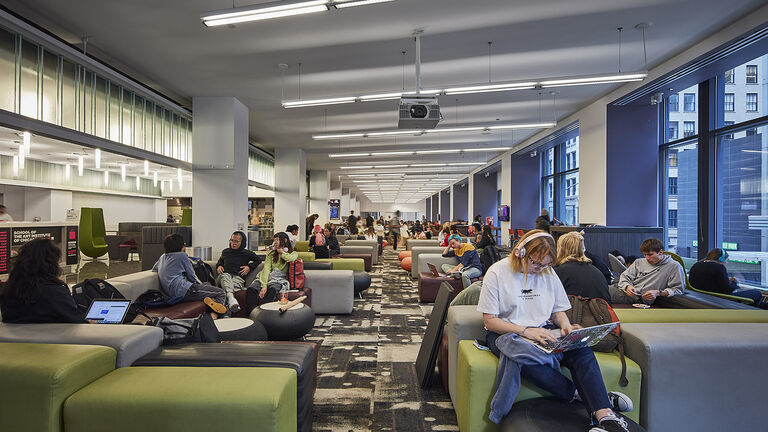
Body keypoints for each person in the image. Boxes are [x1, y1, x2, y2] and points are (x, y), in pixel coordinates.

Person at [477, 230, 633, 431]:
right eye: (536, 263)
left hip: (544, 330)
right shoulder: (497, 272)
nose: (540, 269)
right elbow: (490, 322)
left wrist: (566, 326)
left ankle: (605, 415)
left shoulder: (547, 273)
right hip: (506, 334)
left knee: (581, 350)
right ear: (520, 252)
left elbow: (558, 310)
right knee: (523, 358)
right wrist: (526, 331)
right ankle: (578, 394)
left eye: (546, 265)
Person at [0, 238, 85, 323]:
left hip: (14, 335)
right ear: (51, 263)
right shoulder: (55, 292)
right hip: (51, 335)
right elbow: (77, 321)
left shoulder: (9, 291)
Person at [153, 234, 228, 318]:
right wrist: (196, 285)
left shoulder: (162, 257)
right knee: (221, 293)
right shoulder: (182, 256)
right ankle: (216, 316)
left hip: (171, 294)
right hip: (184, 291)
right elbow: (192, 276)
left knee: (207, 286)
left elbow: (154, 269)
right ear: (181, 247)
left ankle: (212, 306)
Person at [610, 238, 686, 305]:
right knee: (600, 286)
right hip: (624, 289)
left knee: (600, 291)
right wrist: (627, 286)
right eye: (645, 255)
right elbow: (625, 277)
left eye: (650, 255)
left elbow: (678, 289)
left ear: (660, 252)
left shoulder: (674, 266)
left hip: (637, 298)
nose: (647, 258)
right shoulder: (639, 262)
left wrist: (658, 292)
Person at [689, 248, 764, 305]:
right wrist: (735, 282)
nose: (726, 263)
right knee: (757, 293)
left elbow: (708, 282)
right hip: (719, 299)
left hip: (702, 297)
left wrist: (727, 281)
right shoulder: (719, 267)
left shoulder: (696, 265)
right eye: (726, 261)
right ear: (721, 259)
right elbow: (727, 290)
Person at [245, 232, 298, 312]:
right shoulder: (271, 254)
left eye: (277, 240)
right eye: (274, 240)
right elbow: (266, 269)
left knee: (272, 290)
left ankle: (264, 313)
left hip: (279, 279)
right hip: (265, 277)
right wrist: (264, 285)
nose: (275, 242)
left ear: (285, 240)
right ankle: (253, 313)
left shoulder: (293, 253)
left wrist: (282, 253)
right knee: (251, 289)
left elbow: (291, 259)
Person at [553, 232, 611, 302]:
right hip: (602, 311)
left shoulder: (558, 273)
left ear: (560, 249)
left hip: (575, 312)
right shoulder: (597, 271)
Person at [215, 231, 262, 313]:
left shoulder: (246, 253)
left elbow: (258, 260)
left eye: (236, 241)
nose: (233, 243)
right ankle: (231, 298)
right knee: (225, 276)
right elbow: (219, 262)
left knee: (232, 285)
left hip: (238, 278)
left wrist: (249, 267)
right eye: (232, 240)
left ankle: (227, 311)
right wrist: (219, 266)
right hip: (223, 277)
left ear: (242, 242)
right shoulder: (225, 252)